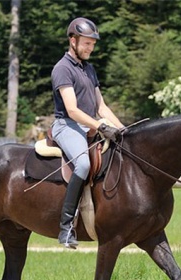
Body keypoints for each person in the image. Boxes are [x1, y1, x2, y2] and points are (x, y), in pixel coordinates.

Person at [51, 17, 124, 249]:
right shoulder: (62, 69)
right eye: (86, 43)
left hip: (90, 125)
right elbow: (72, 110)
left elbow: (101, 106)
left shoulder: (89, 69)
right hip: (67, 126)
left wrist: (124, 130)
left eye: (92, 44)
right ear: (73, 41)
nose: (90, 48)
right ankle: (66, 227)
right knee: (82, 165)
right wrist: (100, 125)